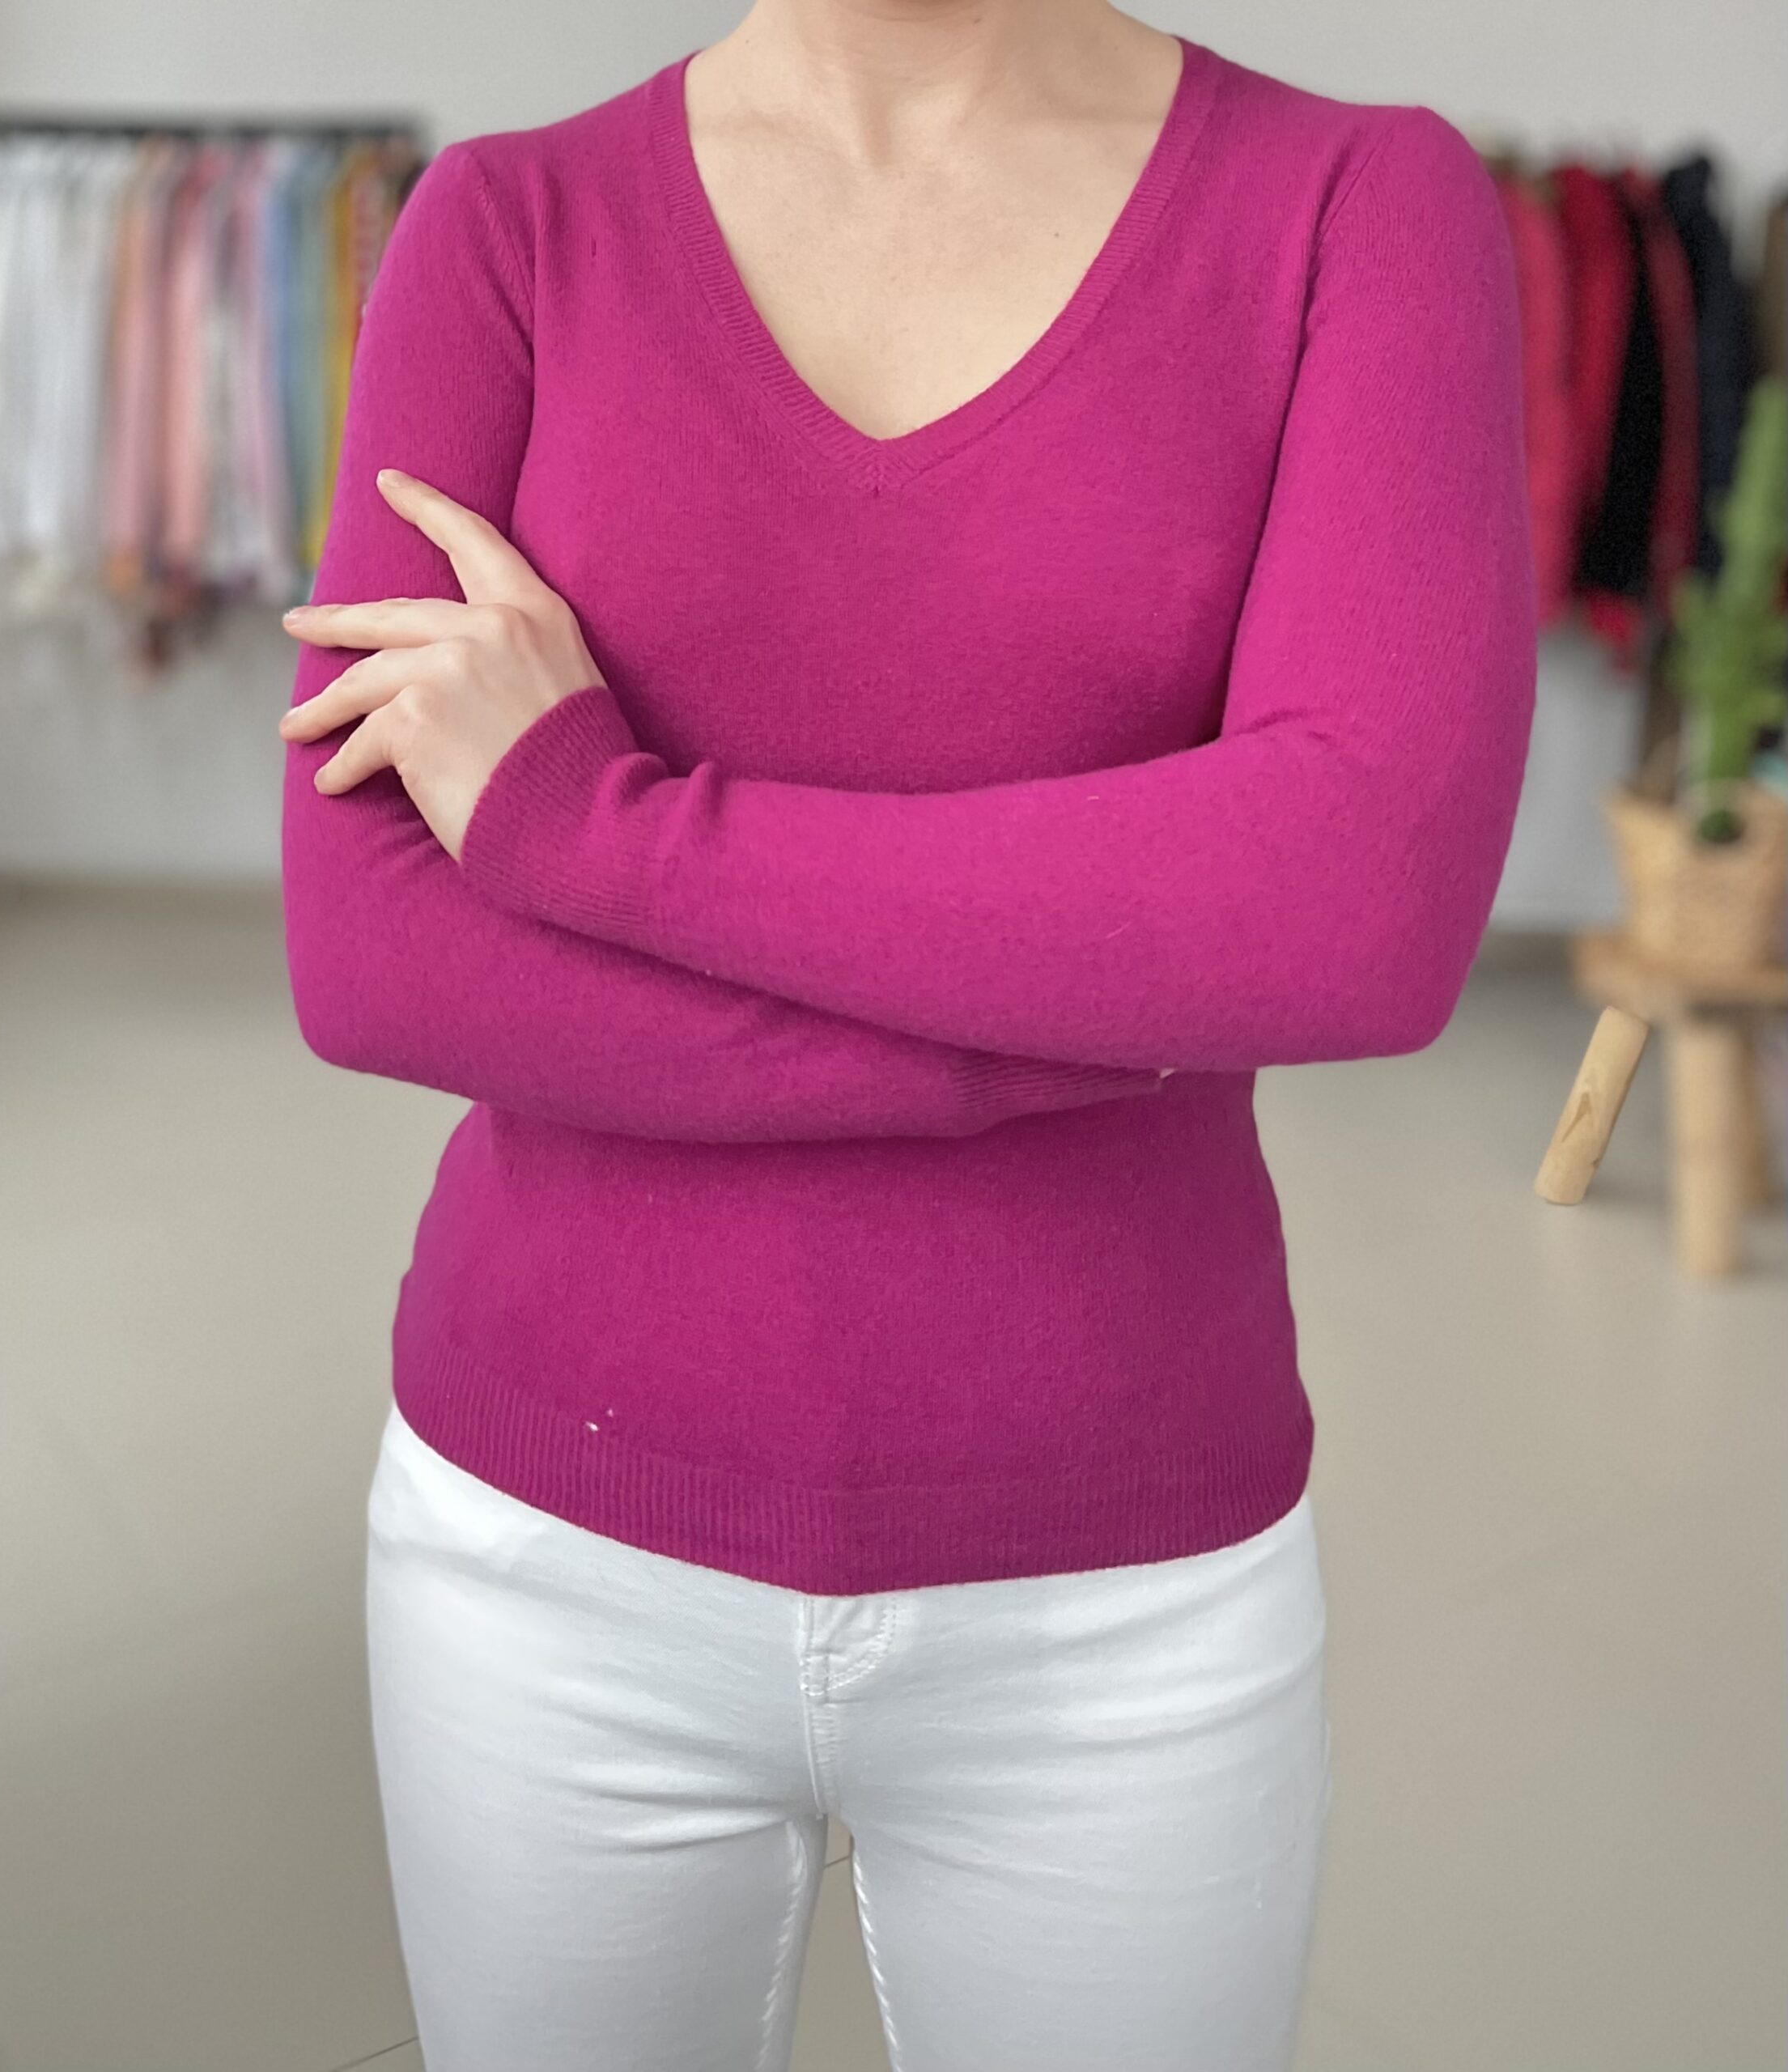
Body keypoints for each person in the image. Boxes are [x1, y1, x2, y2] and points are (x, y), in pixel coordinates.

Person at [275, 0, 1536, 2064]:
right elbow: (377, 948)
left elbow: (1357, 912)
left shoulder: (1355, 205)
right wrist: (1095, 1005)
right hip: (540, 1552)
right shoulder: (504, 226)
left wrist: (594, 827)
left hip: (1124, 1577)